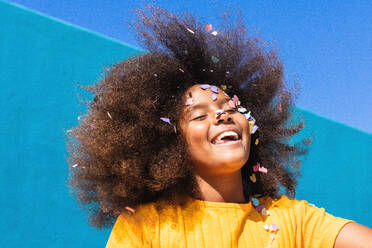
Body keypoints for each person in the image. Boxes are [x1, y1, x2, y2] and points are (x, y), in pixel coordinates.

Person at [66, 6, 372, 247]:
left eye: (231, 108)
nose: (221, 116)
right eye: (199, 116)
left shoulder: (292, 219)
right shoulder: (147, 225)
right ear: (171, 146)